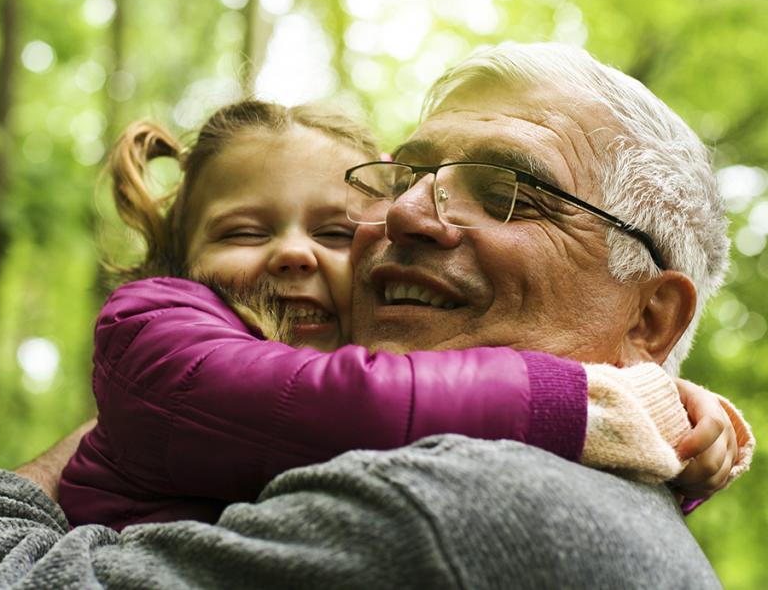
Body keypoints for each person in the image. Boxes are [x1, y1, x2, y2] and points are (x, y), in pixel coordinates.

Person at [0, 42, 755, 589]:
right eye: (405, 178)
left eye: (507, 191)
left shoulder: (453, 510)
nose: (400, 215)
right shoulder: (587, 491)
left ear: (650, 322)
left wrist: (13, 488)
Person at [58, 100, 747, 531]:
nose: (294, 253)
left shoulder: (365, 364)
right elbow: (348, 406)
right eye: (243, 232)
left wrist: (671, 448)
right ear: (179, 257)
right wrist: (594, 409)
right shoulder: (152, 326)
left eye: (334, 234)